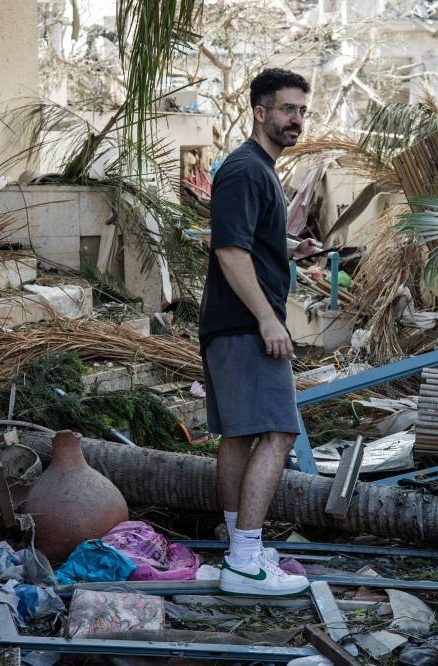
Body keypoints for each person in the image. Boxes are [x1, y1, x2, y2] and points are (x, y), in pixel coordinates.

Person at [198, 68, 320, 597]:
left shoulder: (256, 169)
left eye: (302, 111)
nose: (297, 120)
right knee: (278, 431)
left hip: (231, 326)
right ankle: (246, 561)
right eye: (288, 109)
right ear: (260, 112)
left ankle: (237, 547)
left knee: (241, 435)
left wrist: (288, 252)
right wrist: (268, 319)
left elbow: (247, 243)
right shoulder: (247, 169)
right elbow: (229, 250)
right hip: (247, 328)